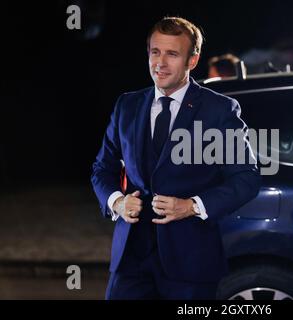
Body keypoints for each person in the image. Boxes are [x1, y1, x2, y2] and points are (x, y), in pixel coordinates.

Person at [91, 16, 261, 300]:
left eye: (172, 54)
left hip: (191, 263)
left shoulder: (220, 110)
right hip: (131, 259)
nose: (160, 62)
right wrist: (116, 202)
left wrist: (192, 206)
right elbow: (102, 168)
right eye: (155, 52)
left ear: (192, 61)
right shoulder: (127, 105)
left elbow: (246, 177)